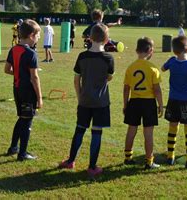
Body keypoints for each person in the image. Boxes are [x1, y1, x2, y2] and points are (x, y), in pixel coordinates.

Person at [59, 24, 114, 178]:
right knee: (97, 133)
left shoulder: (82, 57)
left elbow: (76, 80)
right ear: (106, 39)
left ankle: (70, 161)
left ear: (89, 37)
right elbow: (109, 77)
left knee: (79, 130)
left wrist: (79, 97)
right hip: (101, 103)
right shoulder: (109, 58)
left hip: (84, 101)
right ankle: (92, 167)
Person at [5, 20, 43, 161]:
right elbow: (34, 77)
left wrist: (19, 74)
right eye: (38, 35)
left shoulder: (13, 49)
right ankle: (23, 153)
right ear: (32, 35)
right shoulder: (31, 53)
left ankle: (13, 147)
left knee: (22, 118)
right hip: (28, 92)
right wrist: (39, 98)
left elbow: (7, 69)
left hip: (17, 89)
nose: (39, 38)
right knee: (27, 121)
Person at [161, 36, 187, 169]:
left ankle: (170, 157)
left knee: (172, 127)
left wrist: (171, 61)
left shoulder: (172, 61)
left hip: (173, 101)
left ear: (174, 51)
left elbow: (162, 68)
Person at [123, 37, 163, 169]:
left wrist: (125, 104)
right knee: (148, 133)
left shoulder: (131, 67)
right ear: (150, 51)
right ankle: (149, 161)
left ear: (136, 50)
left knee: (131, 129)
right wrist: (160, 105)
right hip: (148, 103)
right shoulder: (153, 68)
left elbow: (126, 88)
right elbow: (157, 90)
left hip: (134, 102)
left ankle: (128, 157)